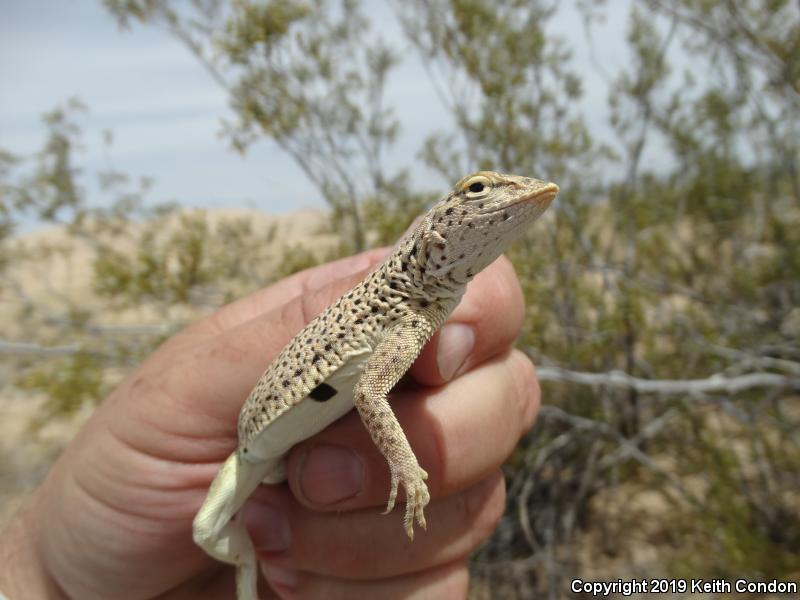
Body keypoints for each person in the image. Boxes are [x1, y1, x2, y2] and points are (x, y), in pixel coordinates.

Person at [0, 249, 540, 599]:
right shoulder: (397, 294)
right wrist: (406, 465)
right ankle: (246, 572)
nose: (505, 195)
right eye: (477, 189)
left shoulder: (431, 306)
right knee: (206, 528)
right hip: (254, 451)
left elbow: (372, 391)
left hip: (289, 460)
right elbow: (372, 391)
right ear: (433, 234)